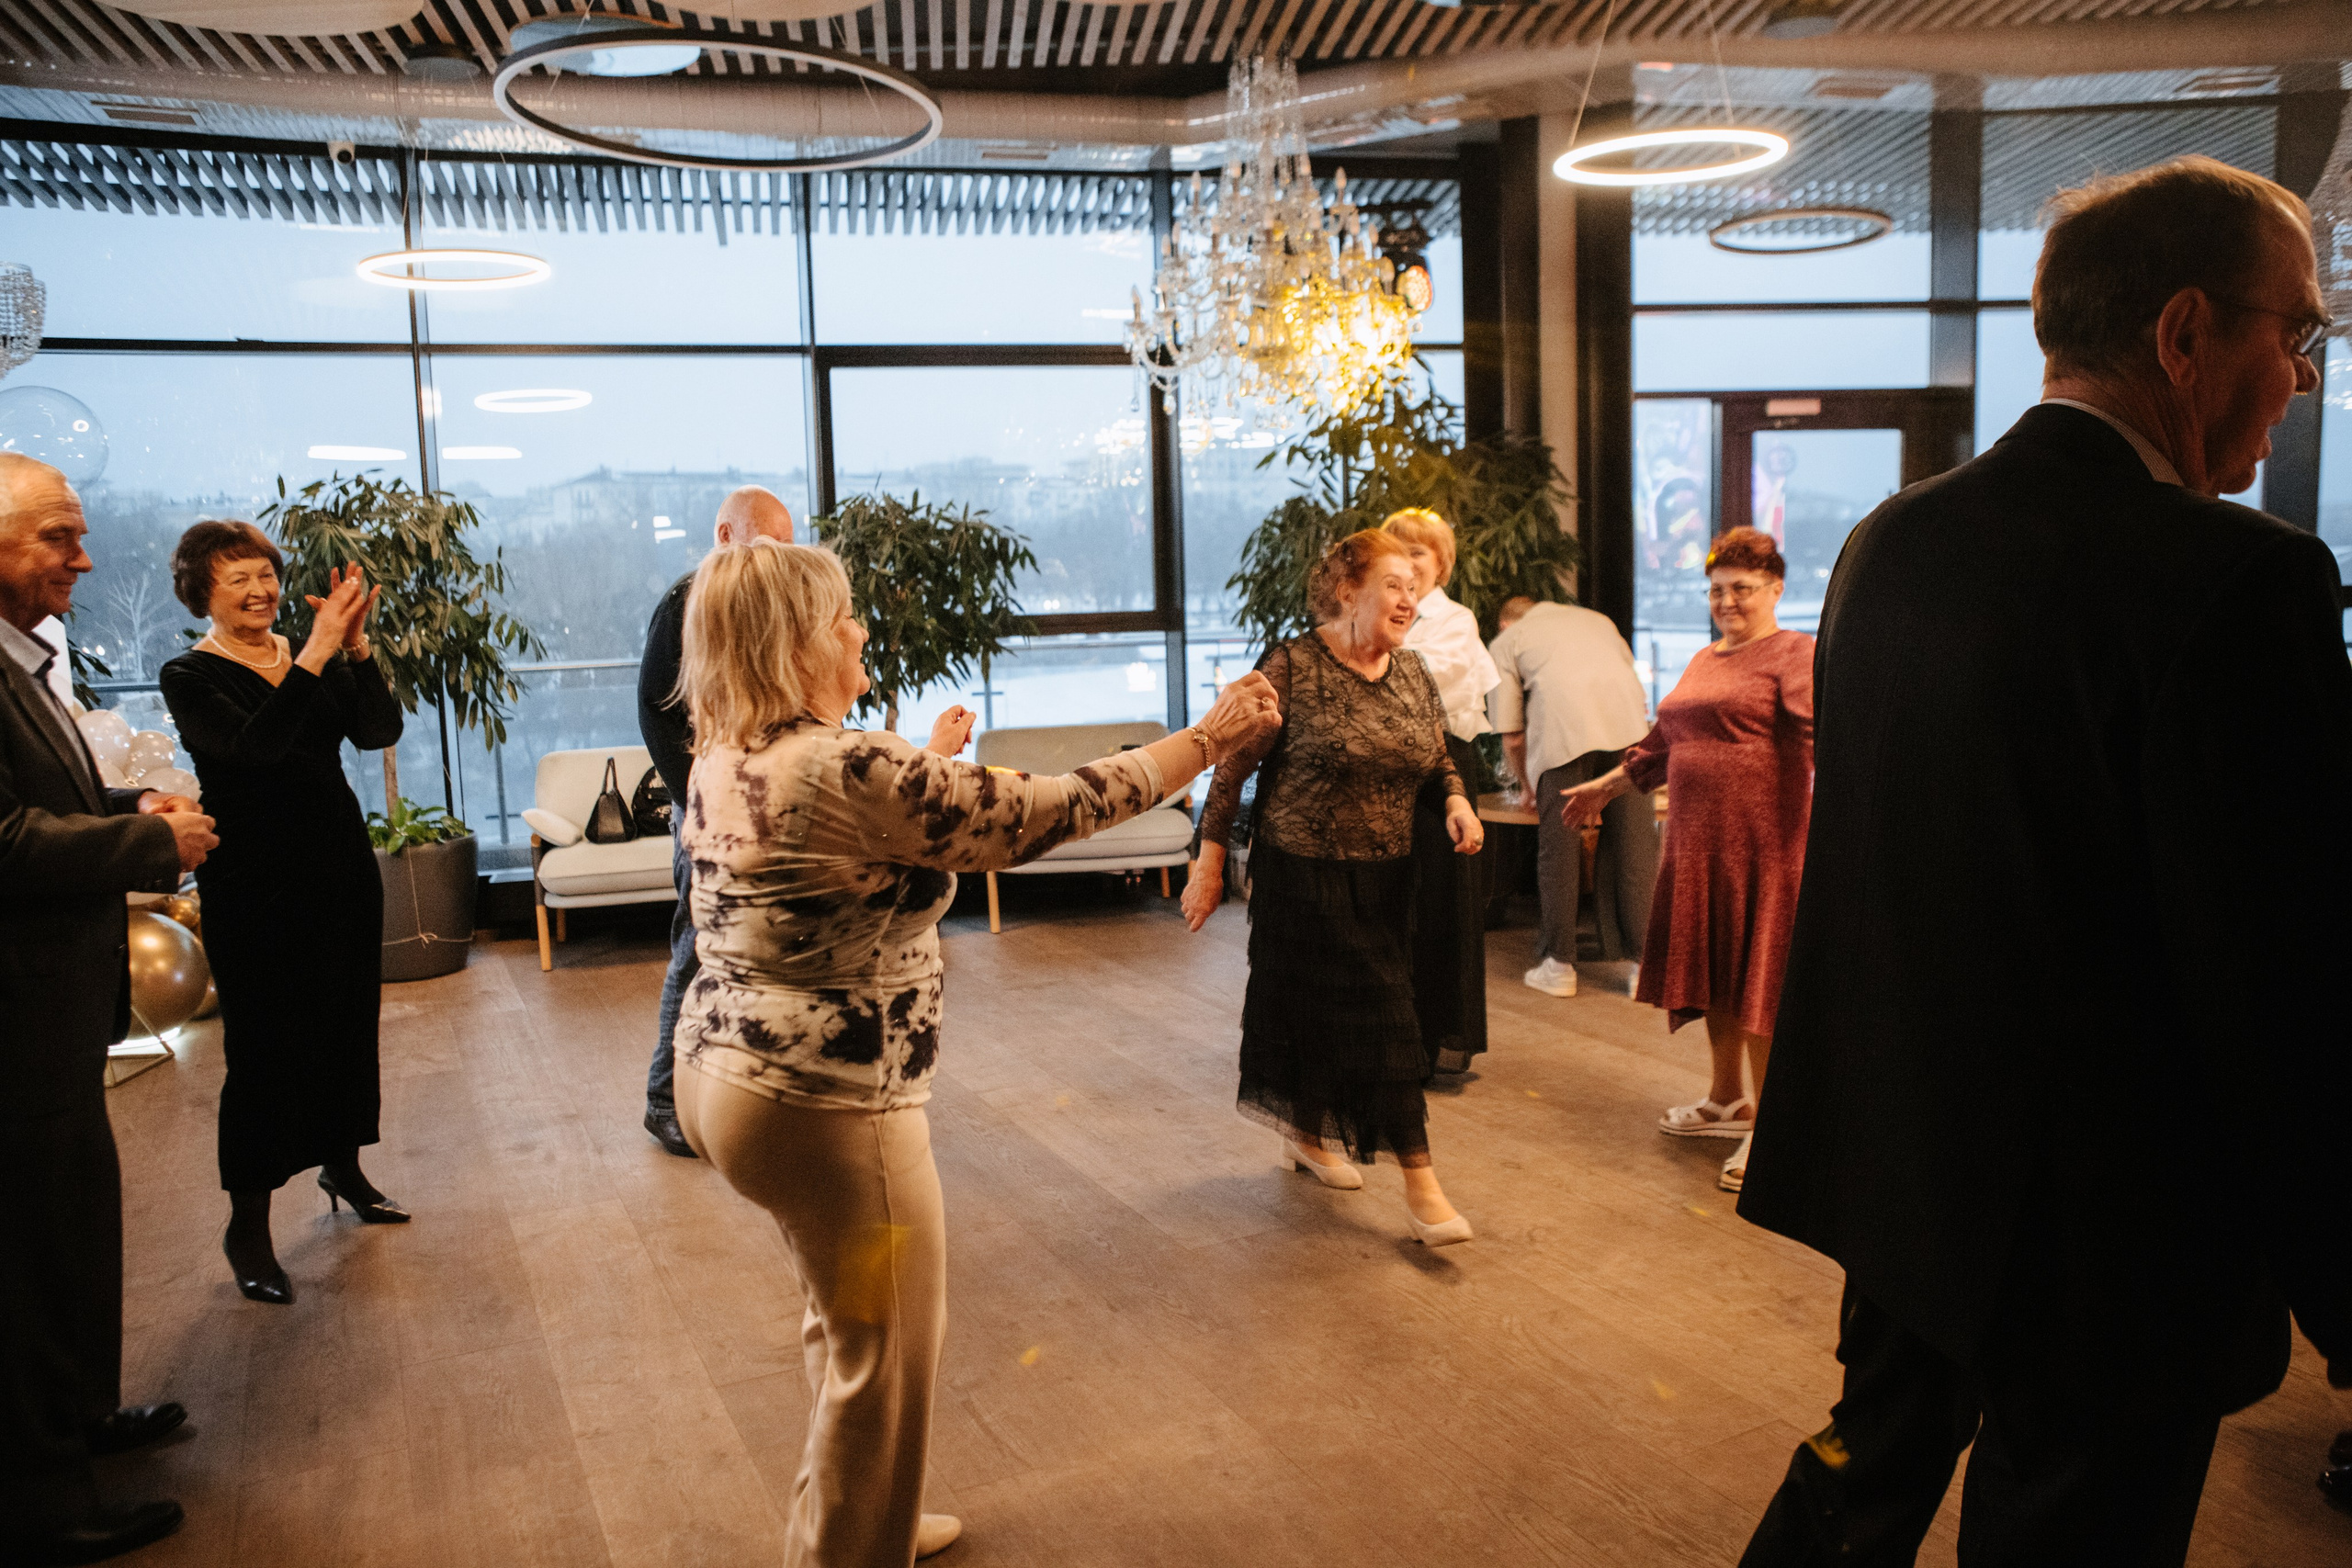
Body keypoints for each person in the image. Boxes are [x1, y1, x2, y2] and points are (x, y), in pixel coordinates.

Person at [1736, 157, 2351, 1564]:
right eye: (2295, 332)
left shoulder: (1892, 543)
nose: (2303, 375)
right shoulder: (2238, 581)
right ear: (2186, 333)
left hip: (1912, 1169)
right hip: (2115, 1232)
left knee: (1860, 1479)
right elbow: (2285, 973)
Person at [670, 540, 1280, 1568]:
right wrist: (1204, 741)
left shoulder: (730, 753)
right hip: (828, 1106)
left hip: (724, 1073)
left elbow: (860, 840)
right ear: (794, 641)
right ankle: (848, 1551)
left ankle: (869, 1515)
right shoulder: (844, 763)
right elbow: (1041, 814)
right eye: (843, 617)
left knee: (844, 1325)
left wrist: (933, 765)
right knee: (885, 1355)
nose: (860, 630)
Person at [0, 453, 214, 1564]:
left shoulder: (27, 662)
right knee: (25, 1267)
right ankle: (42, 1501)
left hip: (58, 1009)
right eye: (55, 537)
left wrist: (129, 802)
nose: (83, 557)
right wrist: (147, 841)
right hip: (16, 1021)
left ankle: (80, 1420)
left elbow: (44, 801)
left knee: (75, 1233)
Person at [1185, 529, 1484, 1245]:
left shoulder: (1410, 672)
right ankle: (1422, 1187)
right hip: (1302, 873)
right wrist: (1207, 858)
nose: (1410, 596)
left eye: (1416, 585)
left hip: (1387, 875)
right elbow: (1233, 766)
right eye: (1394, 582)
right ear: (1348, 589)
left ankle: (1306, 1135)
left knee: (1319, 1014)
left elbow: (1434, 748)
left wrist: (1455, 799)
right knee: (1383, 1020)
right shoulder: (1292, 665)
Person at [159, 522, 406, 1306]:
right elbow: (257, 751)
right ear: (203, 591)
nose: (262, 590)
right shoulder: (189, 674)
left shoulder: (315, 657)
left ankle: (344, 1162)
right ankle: (249, 1226)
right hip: (255, 886)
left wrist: (356, 647)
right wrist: (312, 655)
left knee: (342, 1025)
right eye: (240, 580)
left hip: (337, 868)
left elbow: (379, 730)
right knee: (264, 1055)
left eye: (267, 575)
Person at [1559, 527, 1812, 1195]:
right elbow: (1666, 743)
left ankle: (1779, 1129)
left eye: (1743, 588)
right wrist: (1607, 786)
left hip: (1767, 847)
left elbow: (1828, 736)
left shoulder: (1793, 653)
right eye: (1718, 589)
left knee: (1760, 982)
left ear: (1776, 589)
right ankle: (1728, 1100)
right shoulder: (1704, 658)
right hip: (1700, 846)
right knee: (1718, 971)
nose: (1728, 600)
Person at [637, 484, 795, 1158]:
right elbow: (654, 708)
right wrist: (697, 800)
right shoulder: (688, 601)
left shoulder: (759, 602)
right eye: (770, 544)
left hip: (748, 801)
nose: (779, 560)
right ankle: (663, 1099)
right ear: (727, 536)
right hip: (706, 807)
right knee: (697, 946)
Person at [1487, 593, 1657, 999]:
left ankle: (1559, 965)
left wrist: (1529, 789)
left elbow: (1511, 735)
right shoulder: (1598, 620)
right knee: (1636, 848)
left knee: (1558, 847)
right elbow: (1636, 690)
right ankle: (1642, 968)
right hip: (1632, 735)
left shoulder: (1507, 641)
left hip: (1564, 738)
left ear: (1506, 624)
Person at [1382, 508, 1499, 1073]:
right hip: (1388, 767)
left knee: (1438, 902)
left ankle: (1434, 1043)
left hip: (1445, 766)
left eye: (1419, 553)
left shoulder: (1456, 620)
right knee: (1394, 900)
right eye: (1397, 554)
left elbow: (1416, 677)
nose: (1409, 564)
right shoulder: (1385, 616)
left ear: (1442, 564)